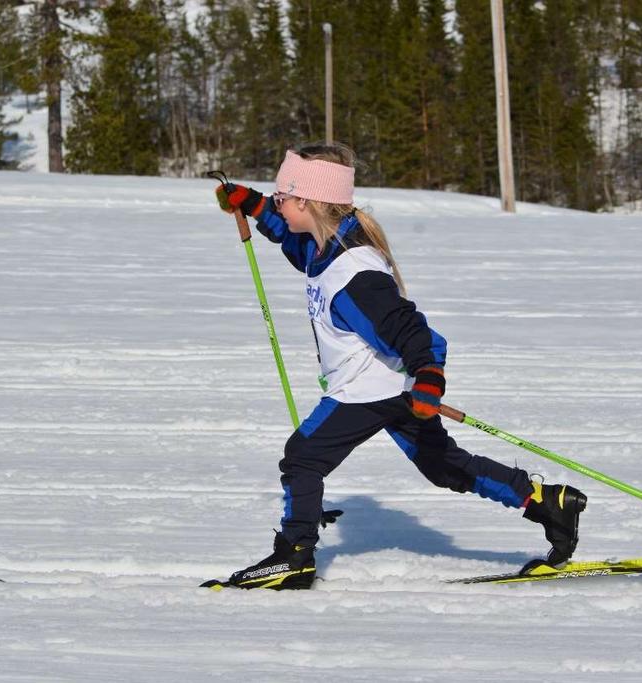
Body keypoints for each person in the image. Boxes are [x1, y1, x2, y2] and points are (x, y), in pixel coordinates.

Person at [214, 142, 586, 590]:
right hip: (393, 388)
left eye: (281, 199)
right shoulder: (323, 244)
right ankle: (545, 502)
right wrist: (252, 204)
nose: (277, 205)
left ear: (308, 201)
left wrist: (430, 377)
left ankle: (294, 556)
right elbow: (292, 241)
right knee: (443, 465)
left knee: (302, 459)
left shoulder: (355, 272)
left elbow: (407, 328)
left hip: (366, 392)